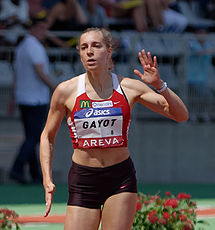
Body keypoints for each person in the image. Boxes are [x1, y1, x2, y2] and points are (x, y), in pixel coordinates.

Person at [40, 27, 189, 229]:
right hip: (84, 178)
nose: (89, 51)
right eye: (84, 47)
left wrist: (159, 85)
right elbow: (47, 136)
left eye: (96, 46)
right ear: (80, 55)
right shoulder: (66, 91)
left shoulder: (129, 87)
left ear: (109, 51)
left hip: (120, 178)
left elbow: (181, 115)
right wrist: (47, 179)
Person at [9, 17, 56, 184]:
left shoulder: (22, 47)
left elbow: (16, 74)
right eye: (41, 28)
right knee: (34, 137)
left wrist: (13, 97)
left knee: (31, 136)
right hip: (35, 98)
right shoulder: (34, 47)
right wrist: (55, 88)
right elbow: (40, 71)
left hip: (24, 97)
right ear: (33, 29)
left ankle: (35, 174)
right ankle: (17, 168)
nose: (44, 32)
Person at [187, 27, 215, 123]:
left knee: (204, 97)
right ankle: (193, 115)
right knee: (196, 98)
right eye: (200, 33)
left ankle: (202, 114)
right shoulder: (192, 44)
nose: (202, 35)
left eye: (204, 33)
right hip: (191, 78)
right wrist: (210, 51)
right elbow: (199, 53)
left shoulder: (208, 45)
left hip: (202, 79)